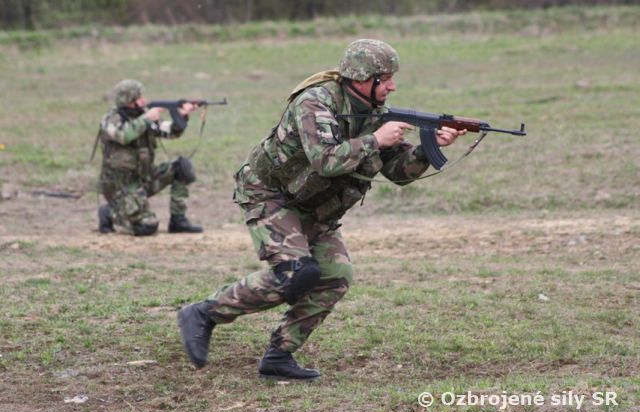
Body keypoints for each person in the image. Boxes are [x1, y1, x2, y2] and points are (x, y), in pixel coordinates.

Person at [177, 39, 466, 380]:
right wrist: (376, 139)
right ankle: (205, 312)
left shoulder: (373, 112)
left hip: (314, 203)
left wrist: (426, 150)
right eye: (386, 79)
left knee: (334, 275)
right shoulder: (315, 102)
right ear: (363, 78)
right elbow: (326, 161)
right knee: (295, 273)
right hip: (269, 193)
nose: (392, 86)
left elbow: (398, 173)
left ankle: (279, 356)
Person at [96, 79, 203, 236]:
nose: (144, 100)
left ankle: (178, 220)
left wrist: (181, 116)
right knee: (146, 227)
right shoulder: (111, 119)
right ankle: (109, 211)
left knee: (182, 167)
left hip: (144, 179)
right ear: (128, 100)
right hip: (121, 187)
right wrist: (146, 118)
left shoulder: (143, 116)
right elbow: (123, 135)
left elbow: (170, 132)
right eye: (139, 97)